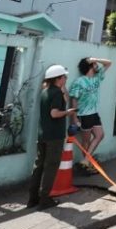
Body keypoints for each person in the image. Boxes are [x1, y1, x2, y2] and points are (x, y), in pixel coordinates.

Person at [28, 64, 76, 209]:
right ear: (58, 78)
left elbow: (64, 99)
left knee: (39, 166)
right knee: (51, 167)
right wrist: (68, 112)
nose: (66, 79)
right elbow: (54, 113)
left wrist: (63, 90)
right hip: (54, 136)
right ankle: (45, 200)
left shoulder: (45, 91)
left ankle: (33, 199)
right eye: (64, 77)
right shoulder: (55, 93)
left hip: (43, 134)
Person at [69, 57, 112, 173]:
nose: (97, 65)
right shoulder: (79, 81)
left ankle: (86, 160)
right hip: (84, 115)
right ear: (90, 66)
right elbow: (74, 99)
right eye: (95, 64)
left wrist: (95, 58)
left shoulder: (97, 78)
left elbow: (109, 63)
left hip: (94, 113)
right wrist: (74, 117)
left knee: (100, 135)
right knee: (86, 141)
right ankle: (87, 165)